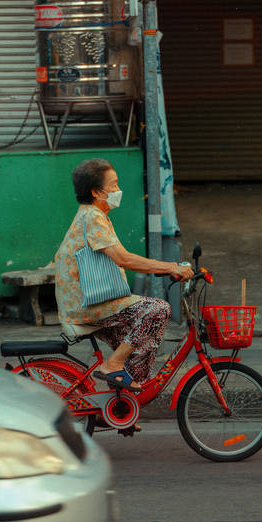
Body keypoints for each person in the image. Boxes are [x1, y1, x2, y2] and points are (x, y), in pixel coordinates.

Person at [54, 157, 194, 392]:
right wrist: (170, 267)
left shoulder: (95, 215)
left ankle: (123, 406)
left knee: (145, 345)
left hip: (94, 301)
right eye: (114, 185)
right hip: (87, 304)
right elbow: (124, 259)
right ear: (97, 192)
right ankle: (113, 364)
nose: (119, 190)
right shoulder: (92, 217)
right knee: (158, 309)